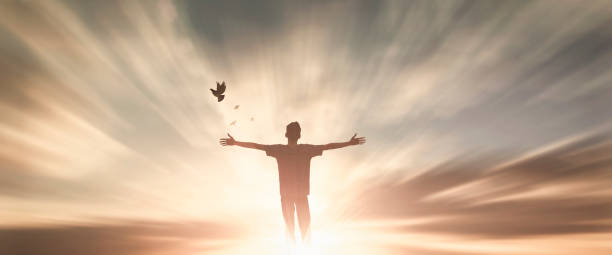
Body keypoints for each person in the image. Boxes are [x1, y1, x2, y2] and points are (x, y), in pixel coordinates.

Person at [219, 121, 365, 245]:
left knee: (303, 229)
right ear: (290, 134)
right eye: (294, 130)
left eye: (296, 131)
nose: (295, 133)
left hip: (299, 196)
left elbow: (328, 146)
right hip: (289, 196)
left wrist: (349, 143)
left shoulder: (303, 149)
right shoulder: (284, 149)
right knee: (292, 230)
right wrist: (236, 143)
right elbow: (257, 146)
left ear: (290, 134)